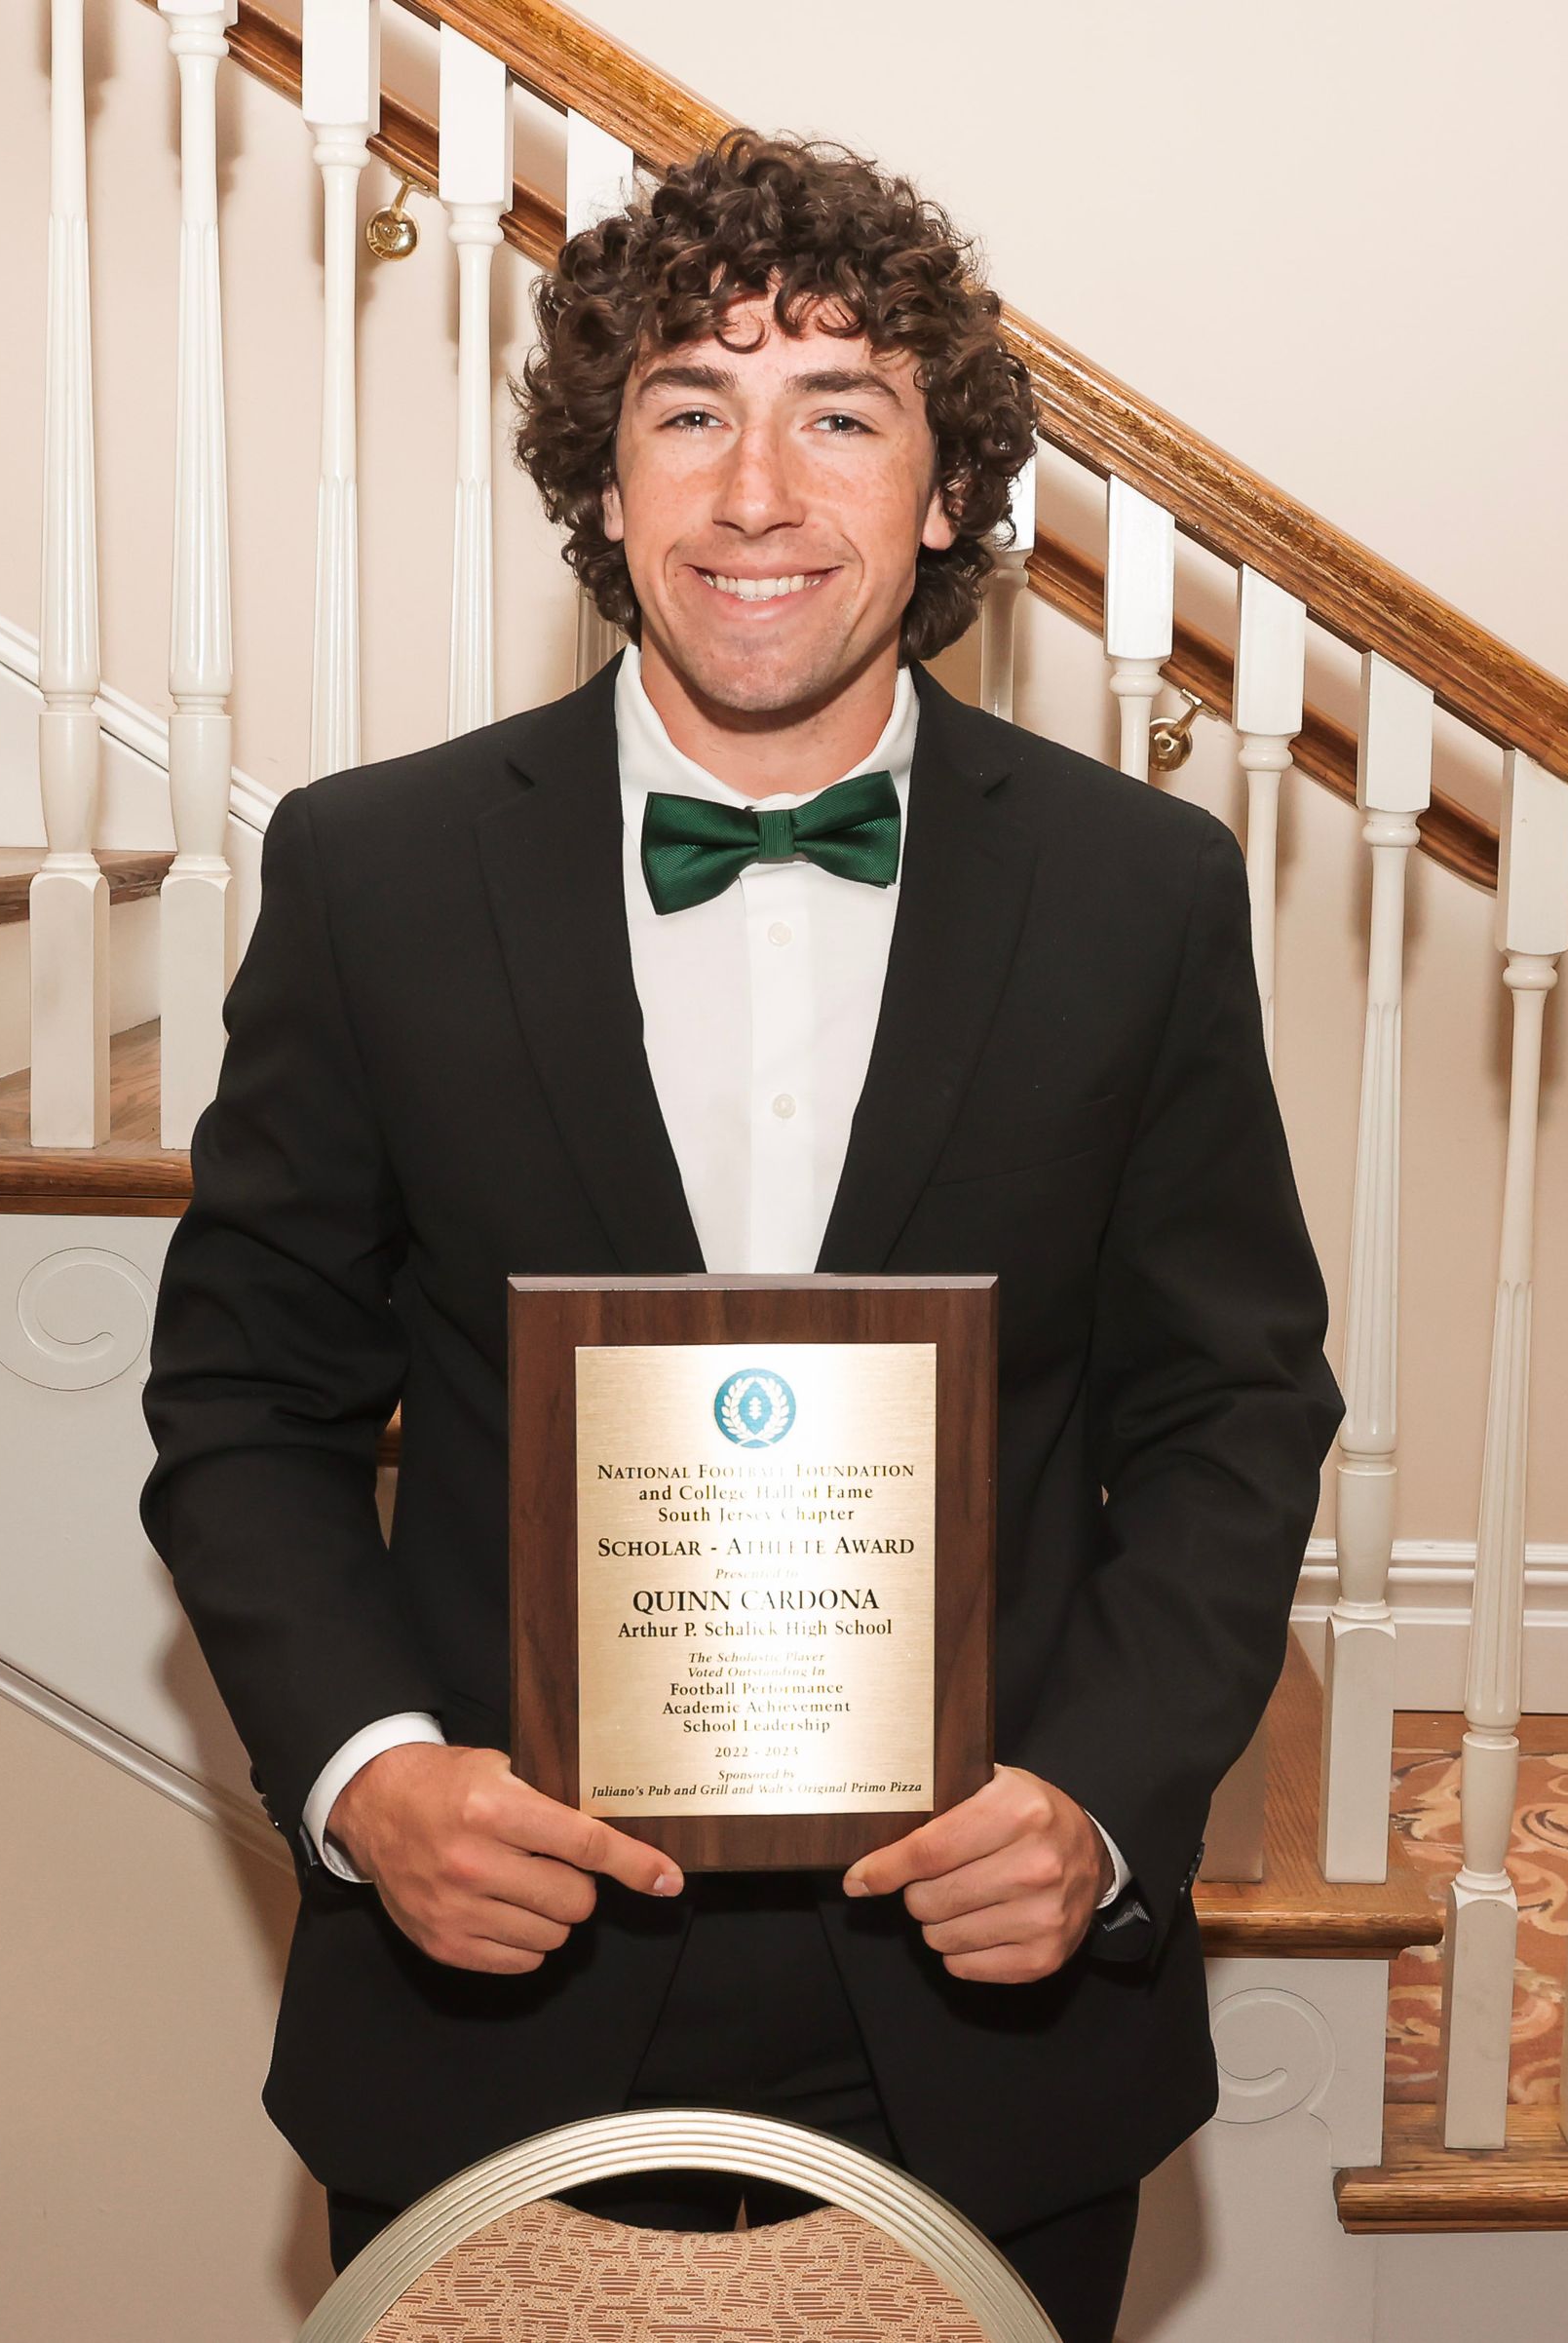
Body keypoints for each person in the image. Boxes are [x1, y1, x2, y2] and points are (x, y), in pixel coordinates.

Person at [137, 131, 1345, 2343]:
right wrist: (370, 1780)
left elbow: (1231, 1410)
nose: (757, 493)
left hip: (986, 2029)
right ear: (602, 486)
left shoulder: (1141, 892)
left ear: (948, 493)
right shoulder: (375, 873)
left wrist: (1096, 1806)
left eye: (841, 414)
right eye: (689, 408)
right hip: (493, 2000)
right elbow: (243, 1401)